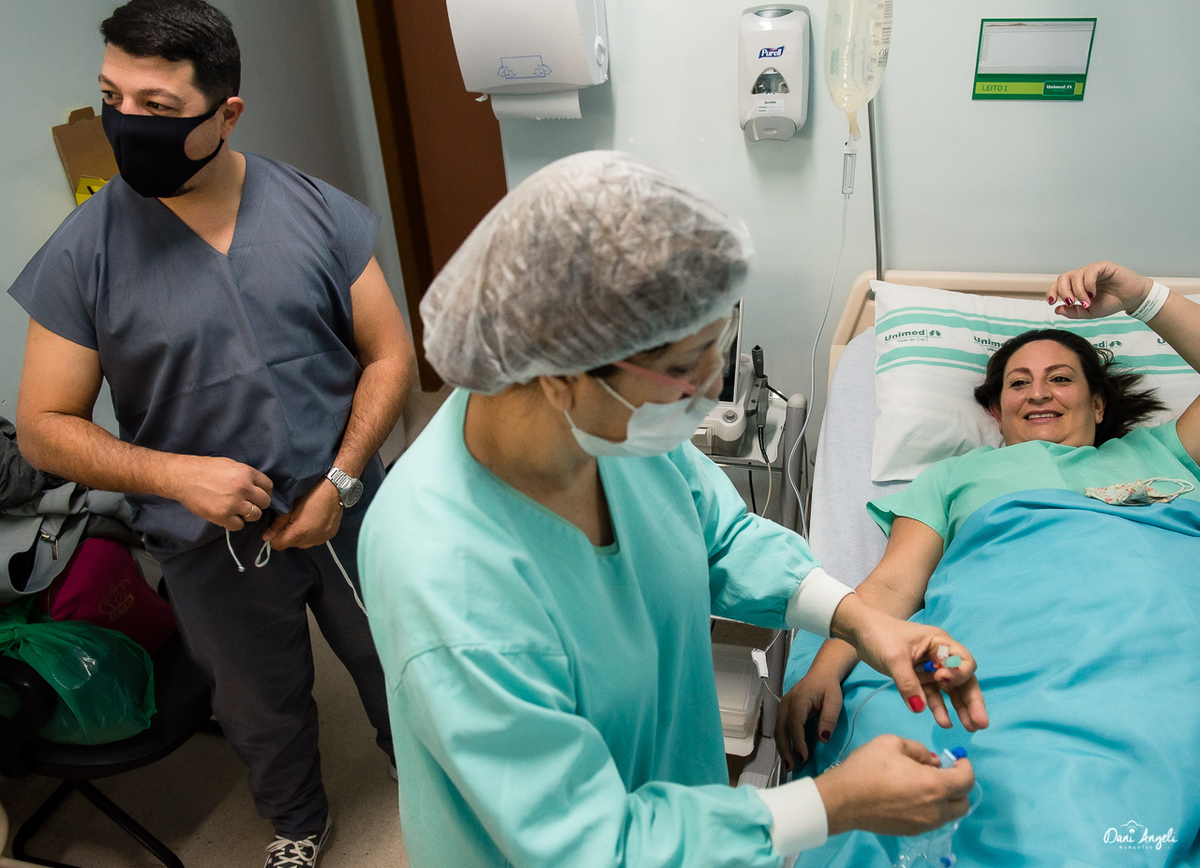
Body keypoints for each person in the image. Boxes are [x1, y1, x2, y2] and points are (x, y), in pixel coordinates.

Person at [358, 150, 983, 868]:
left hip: (683, 815)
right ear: (563, 374)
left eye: (719, 345)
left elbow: (717, 536)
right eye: (686, 367)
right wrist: (834, 803)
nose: (712, 386)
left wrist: (863, 621)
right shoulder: (449, 577)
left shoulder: (609, 433)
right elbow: (593, 845)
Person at [8, 2, 417, 866]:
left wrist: (343, 479)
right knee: (258, 702)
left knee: (400, 659)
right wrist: (176, 477)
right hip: (208, 539)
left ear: (225, 114)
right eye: (112, 97)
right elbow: (42, 430)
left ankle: (428, 779)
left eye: (157, 107)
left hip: (346, 504)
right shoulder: (83, 254)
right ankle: (297, 824)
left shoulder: (313, 209)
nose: (126, 123)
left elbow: (390, 356)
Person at [776, 260, 1200, 769]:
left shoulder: (1163, 451)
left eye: (1060, 378)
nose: (1038, 393)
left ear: (1098, 405)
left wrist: (1141, 296)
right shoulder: (953, 476)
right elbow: (892, 585)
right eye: (1018, 383)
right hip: (1000, 649)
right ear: (996, 412)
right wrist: (823, 671)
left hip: (1160, 639)